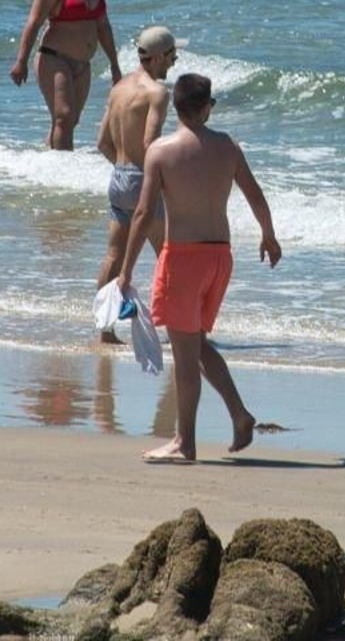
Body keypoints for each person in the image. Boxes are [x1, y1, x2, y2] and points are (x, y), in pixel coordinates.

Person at [118, 73, 282, 463]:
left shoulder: (161, 151)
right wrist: (268, 236)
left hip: (183, 258)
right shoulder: (228, 147)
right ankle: (240, 416)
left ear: (175, 107)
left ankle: (184, 442)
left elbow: (142, 214)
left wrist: (126, 270)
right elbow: (255, 194)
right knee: (196, 343)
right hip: (219, 258)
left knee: (186, 354)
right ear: (208, 107)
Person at [92, 25, 178, 344]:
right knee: (167, 254)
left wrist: (125, 170)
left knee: (113, 256)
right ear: (156, 58)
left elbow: (102, 142)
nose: (174, 61)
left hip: (119, 176)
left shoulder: (119, 88)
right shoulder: (157, 92)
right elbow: (151, 141)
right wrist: (160, 178)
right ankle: (175, 329)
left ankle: (105, 329)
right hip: (143, 179)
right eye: (171, 55)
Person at [10, 0, 121, 150]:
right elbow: (34, 23)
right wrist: (21, 62)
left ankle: (48, 163)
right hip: (54, 58)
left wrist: (114, 65)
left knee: (70, 121)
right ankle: (62, 177)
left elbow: (103, 26)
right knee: (64, 117)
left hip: (83, 64)